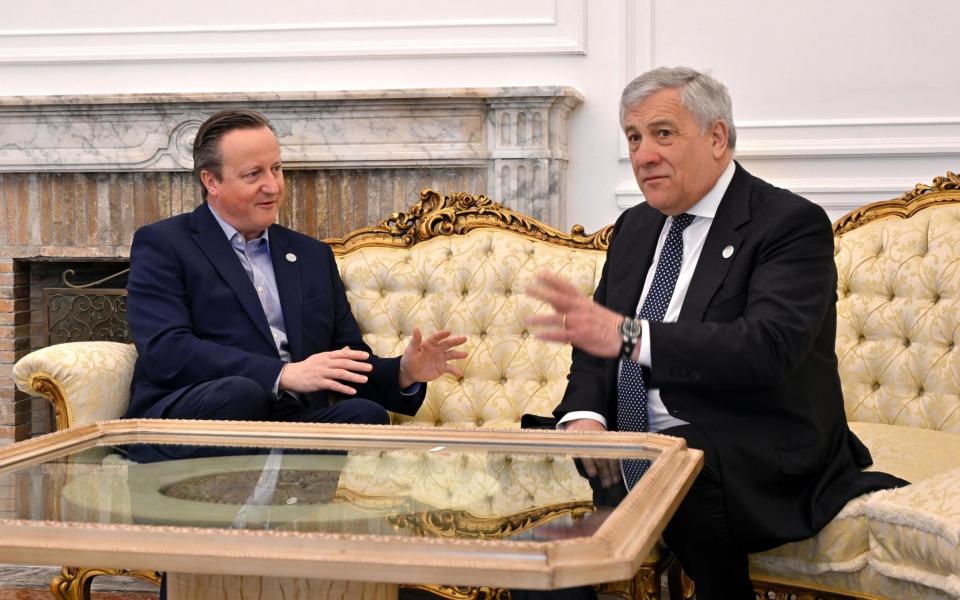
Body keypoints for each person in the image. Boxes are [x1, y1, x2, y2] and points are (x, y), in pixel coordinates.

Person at [526, 67, 906, 599]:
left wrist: (633, 337)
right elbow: (597, 346)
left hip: (750, 435)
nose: (643, 155)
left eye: (663, 134)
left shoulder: (788, 223)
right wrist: (585, 418)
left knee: (678, 466)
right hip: (633, 442)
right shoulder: (634, 228)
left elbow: (768, 347)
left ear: (717, 138)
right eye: (633, 138)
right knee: (541, 562)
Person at [124, 109, 467, 462]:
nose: (272, 186)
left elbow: (344, 357)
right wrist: (283, 374)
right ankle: (266, 476)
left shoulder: (310, 255)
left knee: (364, 415)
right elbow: (167, 350)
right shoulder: (165, 243)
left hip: (286, 418)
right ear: (211, 182)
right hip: (198, 412)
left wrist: (403, 372)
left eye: (276, 169)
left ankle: (269, 481)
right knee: (240, 394)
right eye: (253, 174)